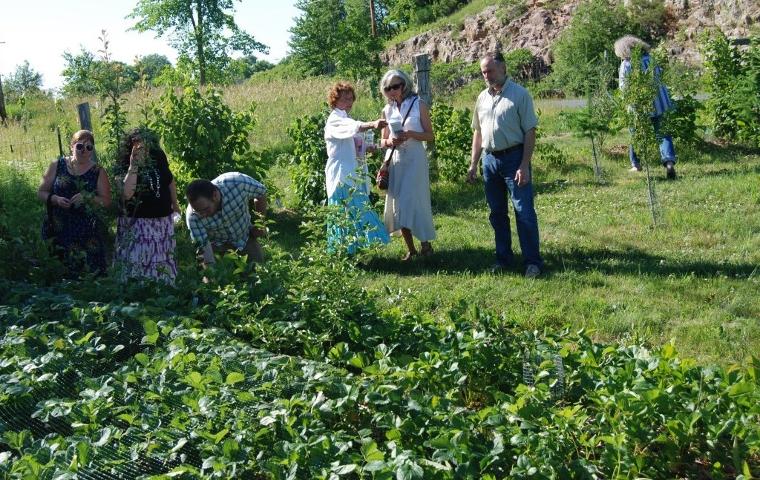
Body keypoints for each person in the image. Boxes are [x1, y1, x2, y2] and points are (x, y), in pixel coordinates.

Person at [467, 51, 543, 278]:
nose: (486, 75)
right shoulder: (482, 98)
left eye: (489, 70)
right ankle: (504, 258)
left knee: (524, 211)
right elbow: (478, 133)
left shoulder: (519, 95)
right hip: (490, 161)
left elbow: (530, 131)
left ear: (503, 68)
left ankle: (532, 262)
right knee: (497, 213)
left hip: (514, 159)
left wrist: (524, 165)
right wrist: (473, 164)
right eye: (483, 72)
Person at [324, 81, 390, 254]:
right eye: (344, 98)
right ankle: (346, 252)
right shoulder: (335, 120)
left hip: (352, 173)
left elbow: (354, 143)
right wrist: (372, 124)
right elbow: (351, 128)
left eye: (351, 98)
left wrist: (371, 147)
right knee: (347, 211)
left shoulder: (346, 119)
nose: (349, 102)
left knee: (355, 211)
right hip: (341, 175)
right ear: (335, 100)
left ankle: (354, 252)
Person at [379, 69, 436, 261]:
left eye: (396, 86)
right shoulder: (387, 110)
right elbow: (383, 141)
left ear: (404, 85)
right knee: (399, 203)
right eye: (388, 88)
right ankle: (411, 249)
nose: (392, 91)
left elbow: (430, 135)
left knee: (415, 200)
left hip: (414, 159)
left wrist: (410, 134)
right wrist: (390, 142)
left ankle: (425, 243)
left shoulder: (418, 104)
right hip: (396, 160)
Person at [37, 129, 111, 276]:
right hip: (58, 227)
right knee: (59, 272)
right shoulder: (57, 165)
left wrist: (88, 198)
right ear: (72, 146)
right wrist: (55, 199)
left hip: (86, 232)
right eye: (80, 146)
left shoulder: (98, 171)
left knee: (90, 273)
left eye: (89, 147)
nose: (84, 150)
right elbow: (40, 192)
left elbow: (107, 201)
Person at [114, 128, 180, 283]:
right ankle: (137, 295)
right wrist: (134, 165)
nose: (141, 147)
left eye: (145, 143)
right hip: (137, 225)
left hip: (163, 223)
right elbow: (126, 194)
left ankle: (164, 293)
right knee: (137, 264)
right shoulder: (123, 164)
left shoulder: (158, 156)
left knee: (163, 263)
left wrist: (175, 204)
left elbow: (169, 180)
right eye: (136, 143)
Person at [614, 34, 677, 179]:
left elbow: (624, 88)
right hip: (659, 102)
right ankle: (669, 162)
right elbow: (659, 78)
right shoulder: (651, 59)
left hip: (639, 106)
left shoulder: (627, 65)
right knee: (663, 134)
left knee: (635, 134)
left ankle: (636, 164)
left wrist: (627, 105)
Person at [185, 172, 267, 268]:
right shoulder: (193, 217)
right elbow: (203, 249)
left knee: (258, 271)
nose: (202, 215)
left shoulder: (237, 183)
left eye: (205, 209)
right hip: (216, 246)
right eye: (198, 211)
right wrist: (211, 276)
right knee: (216, 276)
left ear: (214, 195)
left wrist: (259, 225)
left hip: (244, 238)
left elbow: (261, 193)